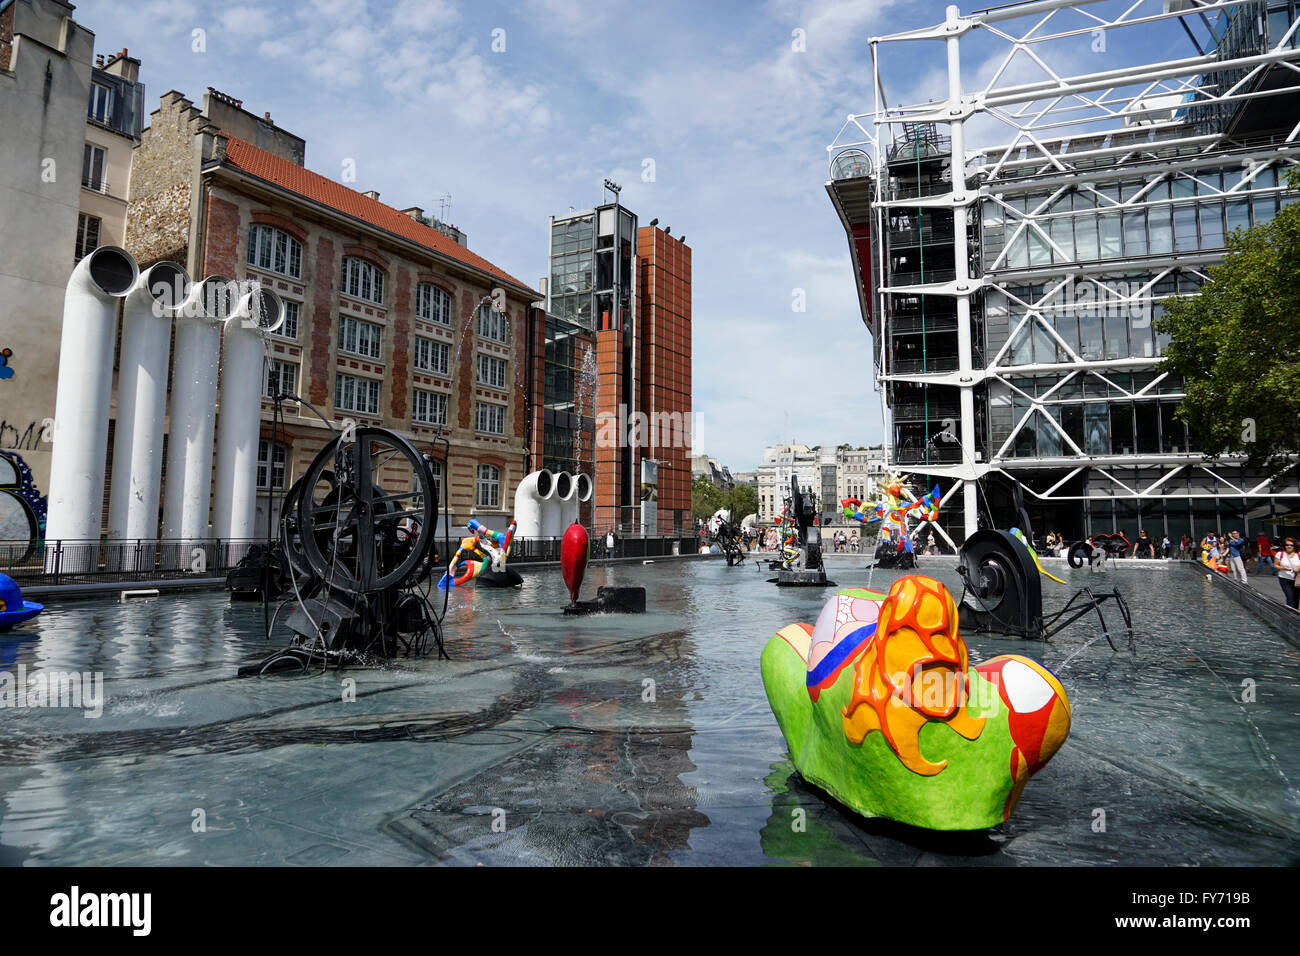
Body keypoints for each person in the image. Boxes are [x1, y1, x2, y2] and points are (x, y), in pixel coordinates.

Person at [1276, 538, 1300, 609]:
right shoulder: (1280, 554)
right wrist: (1283, 568)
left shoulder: (1298, 554)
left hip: (1297, 579)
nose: (1289, 546)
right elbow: (1275, 565)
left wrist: (1298, 568)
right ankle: (1290, 614)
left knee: (1296, 598)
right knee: (1290, 598)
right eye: (1287, 545)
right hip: (1284, 579)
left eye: (1291, 545)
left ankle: (1295, 613)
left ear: (1294, 546)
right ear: (1284, 545)